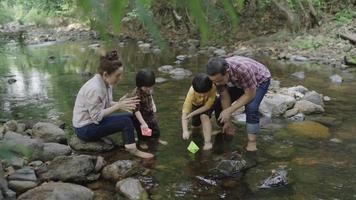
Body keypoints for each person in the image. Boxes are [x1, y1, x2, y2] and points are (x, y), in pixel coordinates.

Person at [72, 50, 153, 159]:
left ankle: (142, 140)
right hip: (84, 128)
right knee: (125, 122)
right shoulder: (95, 89)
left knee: (132, 116)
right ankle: (132, 149)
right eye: (117, 75)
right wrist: (118, 106)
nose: (120, 78)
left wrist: (120, 104)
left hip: (92, 122)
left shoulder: (106, 82)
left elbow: (106, 103)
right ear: (106, 74)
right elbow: (96, 117)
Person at [206, 56, 271, 152]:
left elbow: (250, 95)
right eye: (214, 81)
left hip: (259, 80)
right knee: (218, 104)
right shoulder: (217, 76)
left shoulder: (243, 70)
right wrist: (227, 121)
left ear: (227, 72)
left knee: (251, 107)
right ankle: (227, 128)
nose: (217, 84)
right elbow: (224, 95)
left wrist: (229, 110)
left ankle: (252, 142)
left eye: (219, 81)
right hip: (239, 83)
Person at [131, 69, 168, 149]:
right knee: (143, 132)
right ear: (139, 85)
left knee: (155, 128)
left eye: (150, 87)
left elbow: (150, 96)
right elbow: (136, 110)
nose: (148, 89)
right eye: (146, 87)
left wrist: (153, 104)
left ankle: (157, 139)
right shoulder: (136, 94)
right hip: (140, 116)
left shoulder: (149, 89)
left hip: (149, 113)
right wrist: (143, 123)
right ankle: (142, 142)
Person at [181, 73, 217, 150]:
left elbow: (207, 106)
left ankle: (208, 142)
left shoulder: (212, 87)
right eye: (199, 93)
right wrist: (185, 131)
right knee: (195, 127)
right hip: (196, 104)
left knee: (204, 116)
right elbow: (185, 113)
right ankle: (201, 133)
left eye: (204, 93)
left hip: (208, 103)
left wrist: (193, 113)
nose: (202, 95)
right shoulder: (191, 93)